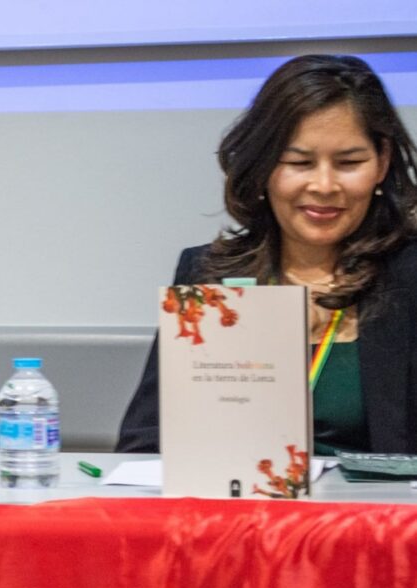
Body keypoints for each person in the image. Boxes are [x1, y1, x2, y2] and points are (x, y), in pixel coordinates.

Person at [118, 54, 417, 454]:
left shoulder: (410, 275)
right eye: (299, 162)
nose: (324, 185)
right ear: (262, 168)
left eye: (349, 163)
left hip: (378, 516)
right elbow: (146, 443)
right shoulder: (210, 274)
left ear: (381, 163)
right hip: (244, 513)